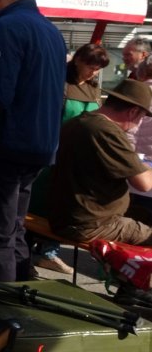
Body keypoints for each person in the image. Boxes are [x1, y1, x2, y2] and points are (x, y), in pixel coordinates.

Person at [0, 0, 67, 282]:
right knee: (15, 228)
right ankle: (25, 301)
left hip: (6, 146)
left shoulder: (8, 28)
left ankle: (2, 316)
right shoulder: (50, 30)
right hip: (39, 146)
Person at [48, 79, 152, 304]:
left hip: (66, 214)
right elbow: (144, 183)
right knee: (149, 235)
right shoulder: (106, 130)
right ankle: (133, 289)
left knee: (142, 215)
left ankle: (128, 283)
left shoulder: (79, 122)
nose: (140, 122)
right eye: (142, 116)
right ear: (134, 111)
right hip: (90, 222)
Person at [29, 43, 110, 275]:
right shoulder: (59, 83)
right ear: (78, 61)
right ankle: (25, 249)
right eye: (91, 66)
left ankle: (49, 252)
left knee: (63, 203)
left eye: (98, 68)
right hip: (52, 150)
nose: (93, 72)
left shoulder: (94, 89)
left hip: (78, 156)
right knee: (39, 201)